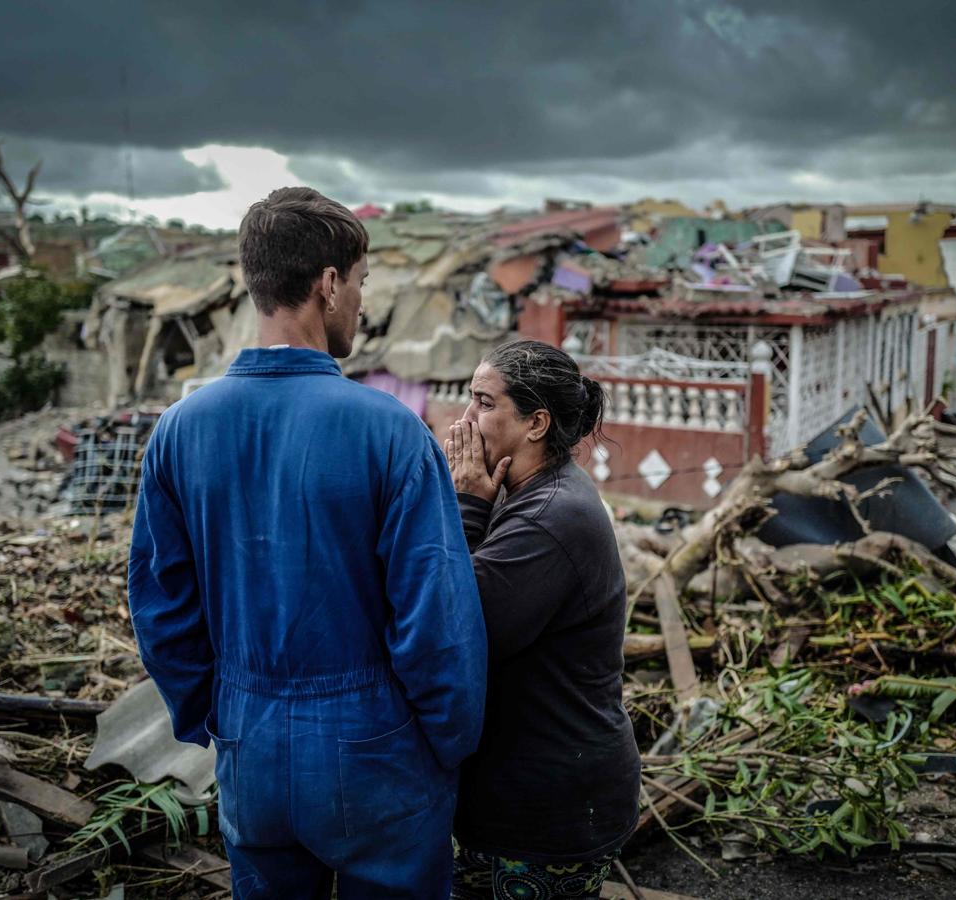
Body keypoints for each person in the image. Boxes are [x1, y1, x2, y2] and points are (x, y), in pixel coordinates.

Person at [128, 187, 486, 898]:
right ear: (328, 284)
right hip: (375, 751)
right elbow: (437, 624)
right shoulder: (390, 433)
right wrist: (449, 746)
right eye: (360, 284)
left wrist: (218, 714)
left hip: (248, 747)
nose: (361, 303)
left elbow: (161, 607)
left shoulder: (179, 430)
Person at [442, 339, 641, 899]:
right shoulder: (521, 494)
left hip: (548, 808)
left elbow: (459, 627)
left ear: (536, 423)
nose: (466, 419)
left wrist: (467, 507)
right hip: (517, 794)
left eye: (484, 402)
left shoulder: (553, 517)